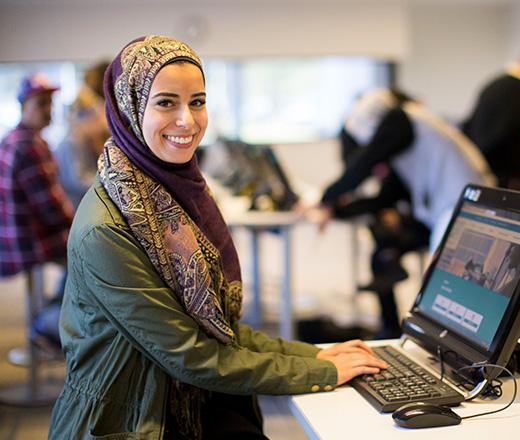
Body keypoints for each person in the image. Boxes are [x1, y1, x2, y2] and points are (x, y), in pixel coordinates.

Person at [47, 35, 387, 439]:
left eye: (197, 101)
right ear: (129, 107)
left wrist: (315, 353)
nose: (188, 121)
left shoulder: (173, 195)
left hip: (183, 398)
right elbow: (190, 354)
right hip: (128, 421)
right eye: (165, 102)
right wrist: (319, 371)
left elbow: (216, 328)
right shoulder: (107, 229)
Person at [317, 88, 495, 339]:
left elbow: (364, 164)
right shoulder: (410, 134)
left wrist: (325, 198)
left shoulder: (404, 121)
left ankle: (446, 342)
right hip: (441, 209)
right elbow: (386, 196)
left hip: (465, 203)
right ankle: (389, 330)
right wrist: (335, 209)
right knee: (383, 245)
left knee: (442, 282)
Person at [0, 73, 74, 347]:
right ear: (23, 106)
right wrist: (80, 226)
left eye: (50, 103)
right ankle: (49, 322)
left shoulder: (12, 138)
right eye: (41, 104)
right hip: (29, 242)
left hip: (12, 239)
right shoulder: (31, 145)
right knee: (91, 252)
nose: (49, 110)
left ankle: (49, 314)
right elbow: (51, 207)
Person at [462, 47, 520, 190]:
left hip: (481, 167)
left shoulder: (497, 84)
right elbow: (505, 133)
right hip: (499, 176)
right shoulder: (516, 89)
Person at [55, 61, 110, 208]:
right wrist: (112, 182)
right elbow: (79, 180)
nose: (100, 121)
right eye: (95, 116)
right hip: (77, 207)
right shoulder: (71, 143)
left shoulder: (87, 140)